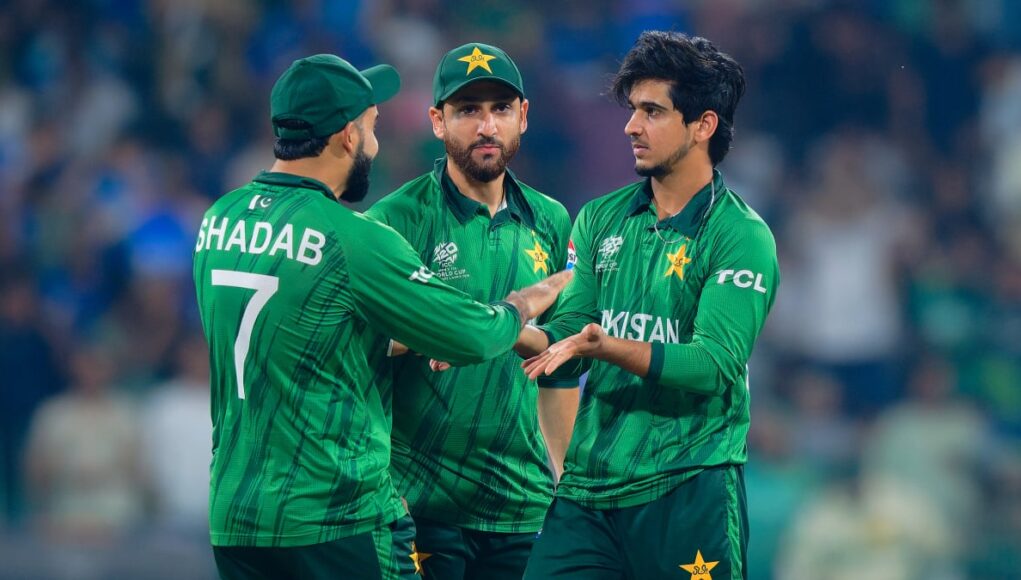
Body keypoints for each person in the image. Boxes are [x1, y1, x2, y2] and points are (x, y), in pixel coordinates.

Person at [192, 54, 571, 580]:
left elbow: (310, 329)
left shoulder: (217, 220)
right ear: (348, 136)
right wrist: (526, 301)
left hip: (237, 513)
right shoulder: (357, 236)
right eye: (371, 128)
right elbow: (472, 334)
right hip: (334, 509)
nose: (375, 144)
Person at [518, 31, 780, 579]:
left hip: (690, 486)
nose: (631, 126)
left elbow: (712, 366)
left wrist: (605, 346)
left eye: (652, 111)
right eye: (633, 109)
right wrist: (499, 327)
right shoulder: (600, 218)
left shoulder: (740, 236)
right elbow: (569, 334)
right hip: (589, 494)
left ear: (703, 125)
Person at [365, 43, 578, 579]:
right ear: (437, 121)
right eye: (467, 110)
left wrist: (566, 481)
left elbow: (562, 364)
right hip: (419, 504)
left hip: (523, 504)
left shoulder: (552, 220)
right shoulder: (394, 221)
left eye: (500, 109)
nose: (487, 126)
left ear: (523, 116)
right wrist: (459, 330)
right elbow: (360, 344)